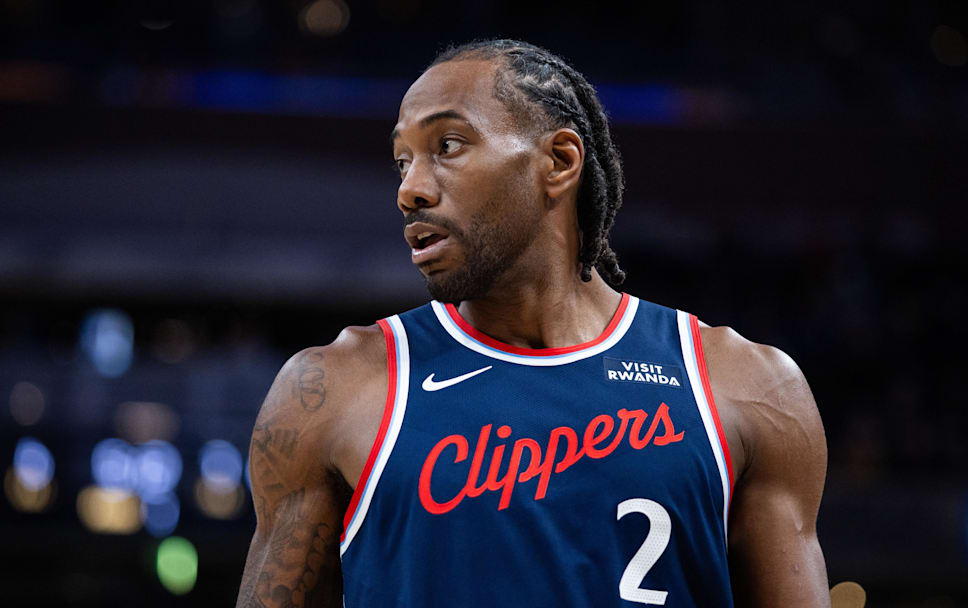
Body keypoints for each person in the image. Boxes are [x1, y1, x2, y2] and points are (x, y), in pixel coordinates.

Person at [236, 39, 829, 608]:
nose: (410, 190)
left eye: (447, 145)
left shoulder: (744, 385)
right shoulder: (333, 389)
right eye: (402, 161)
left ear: (560, 161)